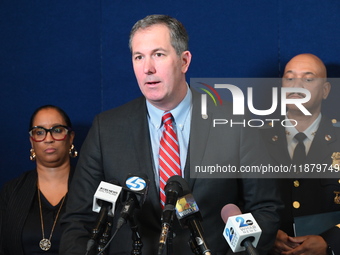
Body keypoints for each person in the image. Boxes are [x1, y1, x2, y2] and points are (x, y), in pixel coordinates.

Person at [60, 14, 282, 255]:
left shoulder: (236, 123)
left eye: (158, 54)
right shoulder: (107, 129)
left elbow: (266, 209)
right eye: (139, 57)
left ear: (184, 61)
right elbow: (78, 220)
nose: (148, 68)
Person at [260, 53, 340, 255]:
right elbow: (236, 200)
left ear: (325, 90)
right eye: (290, 78)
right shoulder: (254, 138)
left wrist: (330, 243)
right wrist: (265, 233)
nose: (297, 85)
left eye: (308, 79)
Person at [0, 105, 77, 255]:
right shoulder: (12, 191)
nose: (48, 139)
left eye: (57, 130)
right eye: (40, 132)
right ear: (32, 141)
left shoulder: (90, 188)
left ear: (70, 137)